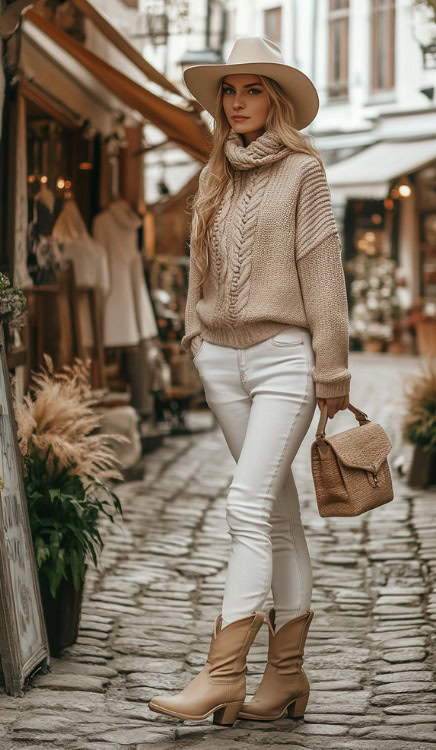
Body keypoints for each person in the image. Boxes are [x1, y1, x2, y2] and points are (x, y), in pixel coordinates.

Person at [149, 36, 350, 727]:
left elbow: (325, 275)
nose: (237, 103)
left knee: (243, 507)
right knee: (276, 514)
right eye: (228, 91)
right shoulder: (213, 174)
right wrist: (193, 332)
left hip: (284, 360)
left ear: (278, 99)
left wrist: (333, 369)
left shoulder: (304, 172)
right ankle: (287, 675)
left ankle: (221, 674)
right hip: (222, 363)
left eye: (252, 90)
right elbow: (196, 267)